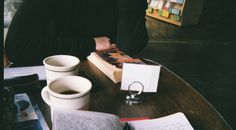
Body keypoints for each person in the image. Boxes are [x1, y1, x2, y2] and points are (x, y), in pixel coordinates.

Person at [5, 0, 148, 67]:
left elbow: (130, 47)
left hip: (103, 79)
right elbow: (17, 47)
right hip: (55, 75)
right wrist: (91, 44)